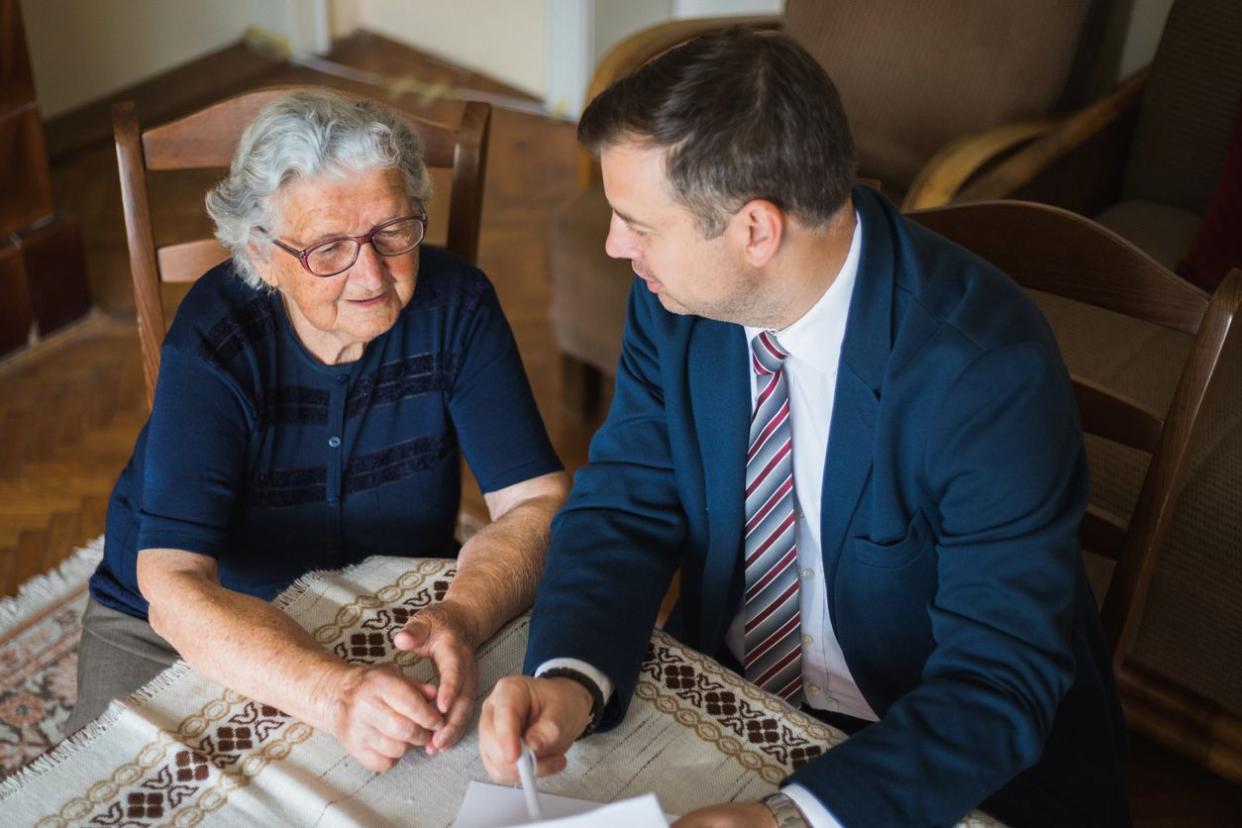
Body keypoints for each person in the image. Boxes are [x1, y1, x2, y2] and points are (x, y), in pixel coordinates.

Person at [478, 28, 1129, 828]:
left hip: (937, 759)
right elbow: (626, 505)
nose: (616, 247)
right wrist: (570, 681)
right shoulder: (676, 303)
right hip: (735, 700)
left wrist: (788, 819)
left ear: (756, 230)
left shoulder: (985, 375)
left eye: (638, 224)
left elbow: (997, 684)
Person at [70, 89, 568, 773]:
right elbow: (174, 582)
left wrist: (463, 615)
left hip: (394, 603)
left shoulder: (457, 304)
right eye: (329, 247)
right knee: (115, 794)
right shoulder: (216, 342)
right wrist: (333, 696)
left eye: (393, 231)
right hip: (198, 622)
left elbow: (536, 502)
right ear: (263, 254)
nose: (371, 273)